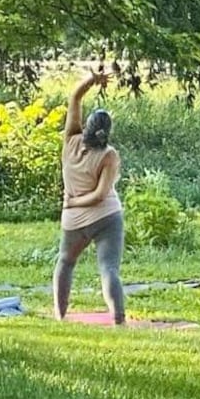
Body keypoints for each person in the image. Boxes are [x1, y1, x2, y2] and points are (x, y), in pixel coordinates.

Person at [54, 67, 125, 324]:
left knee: (65, 262)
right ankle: (119, 320)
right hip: (107, 217)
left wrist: (91, 81)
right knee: (108, 269)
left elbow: (74, 99)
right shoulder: (109, 155)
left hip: (73, 220)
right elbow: (99, 195)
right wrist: (78, 201)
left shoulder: (70, 141)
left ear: (86, 127)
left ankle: (60, 316)